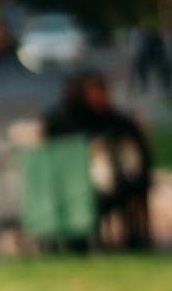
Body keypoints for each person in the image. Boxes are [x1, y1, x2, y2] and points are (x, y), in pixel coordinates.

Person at [44, 70, 154, 249]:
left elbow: (135, 144)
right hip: (75, 184)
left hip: (114, 182)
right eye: (93, 92)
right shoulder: (64, 120)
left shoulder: (113, 119)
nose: (99, 97)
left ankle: (135, 239)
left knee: (128, 186)